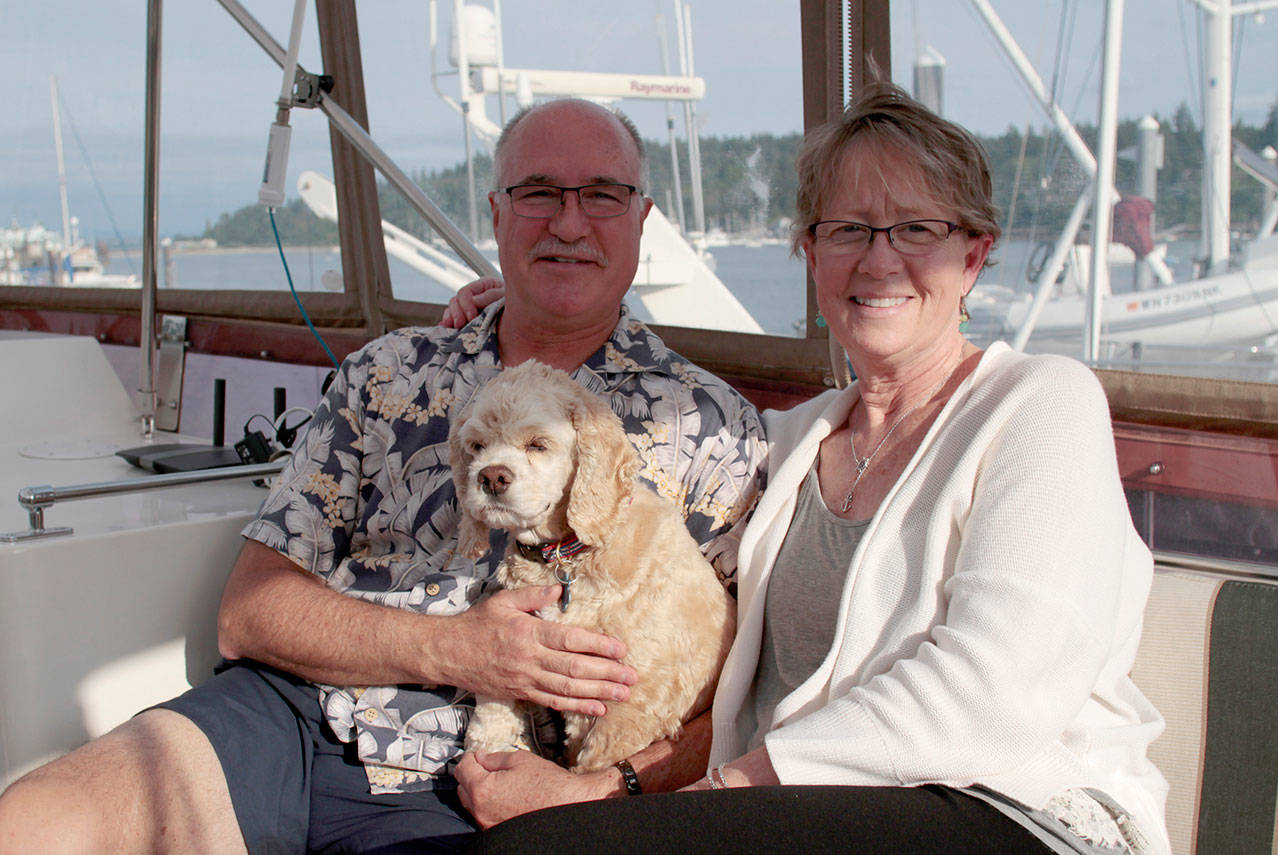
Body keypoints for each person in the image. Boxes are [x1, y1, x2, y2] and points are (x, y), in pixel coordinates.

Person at [0, 98, 766, 854]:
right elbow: (248, 613)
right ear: (497, 213)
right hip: (292, 718)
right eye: (538, 193)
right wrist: (453, 648)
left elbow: (738, 697)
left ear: (643, 217)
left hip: (483, 791)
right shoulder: (387, 373)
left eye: (602, 194)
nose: (569, 222)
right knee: (33, 820)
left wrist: (603, 790)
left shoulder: (709, 427)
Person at [456, 82, 1171, 855]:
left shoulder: (1041, 405)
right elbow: (650, 562)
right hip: (795, 812)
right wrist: (524, 305)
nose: (881, 258)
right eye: (849, 229)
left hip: (1014, 807)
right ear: (811, 254)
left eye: (917, 228)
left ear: (974, 256)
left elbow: (986, 698)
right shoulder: (787, 444)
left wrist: (722, 791)